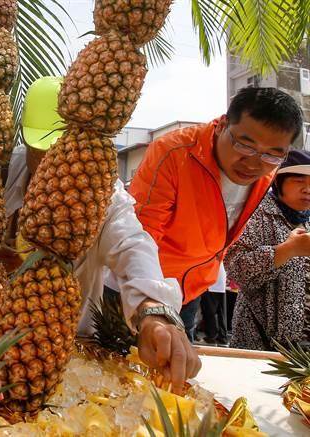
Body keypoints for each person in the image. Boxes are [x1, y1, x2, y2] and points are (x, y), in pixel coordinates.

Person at [6, 76, 201, 394]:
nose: (53, 163)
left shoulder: (102, 190)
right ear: (24, 140)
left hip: (66, 346)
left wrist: (152, 310)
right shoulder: (3, 171)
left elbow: (131, 243)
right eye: (41, 150)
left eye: (64, 152)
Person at [129, 87, 304, 337]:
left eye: (272, 155)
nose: (254, 164)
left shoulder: (268, 169)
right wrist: (150, 307)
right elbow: (141, 237)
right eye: (245, 146)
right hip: (141, 286)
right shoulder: (173, 153)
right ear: (223, 124)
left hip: (193, 290)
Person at [225, 150, 310, 350]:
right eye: (299, 181)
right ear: (278, 182)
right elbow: (236, 269)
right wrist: (288, 250)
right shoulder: (257, 212)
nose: (308, 189)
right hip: (261, 344)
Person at [199, 263, 228, 345]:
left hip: (211, 283)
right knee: (220, 312)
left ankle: (212, 336)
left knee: (209, 312)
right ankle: (222, 336)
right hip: (219, 284)